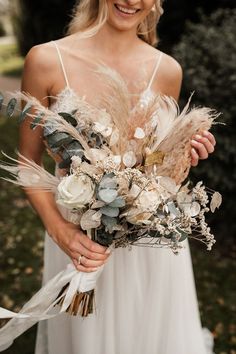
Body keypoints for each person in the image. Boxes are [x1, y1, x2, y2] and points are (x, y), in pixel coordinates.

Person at [19, 1, 216, 353]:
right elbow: (26, 162)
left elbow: (156, 165)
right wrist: (60, 231)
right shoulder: (46, 60)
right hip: (79, 241)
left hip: (149, 245)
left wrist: (184, 153)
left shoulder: (167, 69)